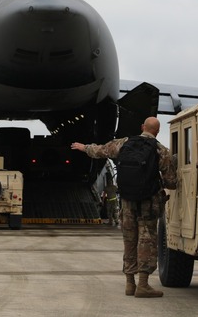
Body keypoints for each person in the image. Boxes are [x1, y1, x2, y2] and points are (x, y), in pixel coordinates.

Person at [71, 116, 176, 298]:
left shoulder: (124, 143)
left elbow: (101, 150)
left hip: (127, 202)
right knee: (147, 241)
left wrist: (84, 147)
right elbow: (171, 182)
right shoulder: (161, 150)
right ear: (157, 131)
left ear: (142, 127)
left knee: (129, 239)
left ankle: (130, 283)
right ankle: (143, 285)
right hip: (148, 203)